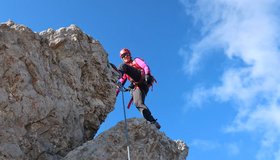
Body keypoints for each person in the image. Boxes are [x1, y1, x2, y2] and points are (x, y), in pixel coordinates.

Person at [117, 48, 161, 129]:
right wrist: (115, 93)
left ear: (130, 55)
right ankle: (152, 121)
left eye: (126, 54)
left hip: (142, 79)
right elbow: (121, 81)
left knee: (122, 66)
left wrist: (147, 74)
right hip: (138, 86)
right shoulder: (126, 71)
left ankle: (116, 74)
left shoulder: (135, 60)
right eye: (123, 56)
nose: (125, 57)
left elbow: (144, 66)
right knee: (138, 103)